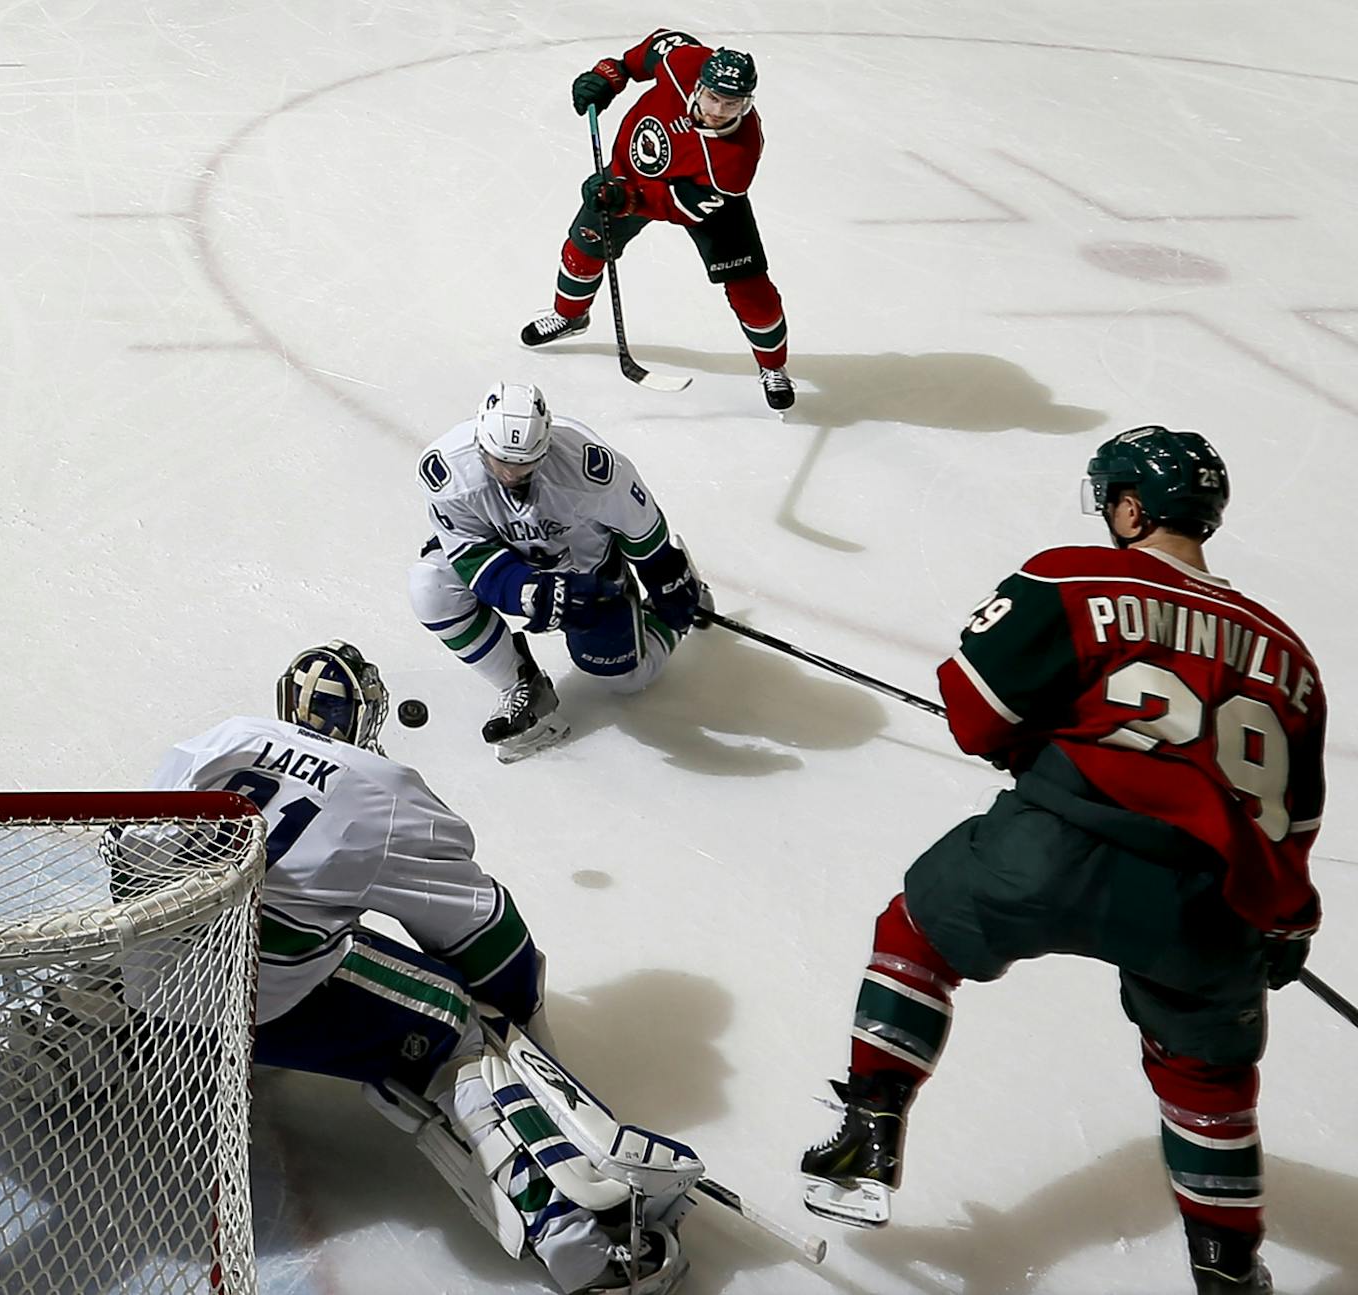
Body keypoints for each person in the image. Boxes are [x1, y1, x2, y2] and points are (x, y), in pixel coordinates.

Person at [799, 428, 1326, 1295]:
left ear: (1128, 508)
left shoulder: (1075, 575)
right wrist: (1284, 924)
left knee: (918, 935)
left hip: (1060, 843)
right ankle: (1229, 1267)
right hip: (1207, 899)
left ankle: (871, 1124)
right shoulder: (1292, 657)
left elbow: (974, 707)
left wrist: (1035, 746)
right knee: (1209, 1076)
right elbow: (1291, 824)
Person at [145, 643, 703, 1294]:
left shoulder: (222, 738)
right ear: (361, 716)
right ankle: (574, 1237)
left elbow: (133, 851)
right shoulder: (382, 789)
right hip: (258, 997)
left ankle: (92, 1033)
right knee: (451, 1018)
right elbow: (484, 936)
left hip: (146, 966)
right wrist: (517, 1028)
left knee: (196, 938)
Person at [410, 382, 708, 762]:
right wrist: (532, 591)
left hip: (588, 570)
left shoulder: (593, 468)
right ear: (479, 439)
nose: (510, 474)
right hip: (509, 557)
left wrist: (669, 579)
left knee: (626, 679)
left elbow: (644, 534)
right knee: (429, 586)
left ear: (546, 445)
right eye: (499, 460)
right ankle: (520, 685)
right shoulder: (447, 472)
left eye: (524, 464)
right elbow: (472, 554)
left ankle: (674, 617)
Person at [521, 29, 794, 412]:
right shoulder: (683, 63)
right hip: (625, 177)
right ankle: (570, 316)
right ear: (699, 85)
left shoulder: (736, 158)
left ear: (746, 103)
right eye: (713, 97)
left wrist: (625, 200)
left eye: (731, 104)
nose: (718, 111)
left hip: (702, 204)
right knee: (583, 248)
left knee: (753, 294)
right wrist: (611, 74)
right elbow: (654, 48)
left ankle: (773, 367)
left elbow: (678, 206)